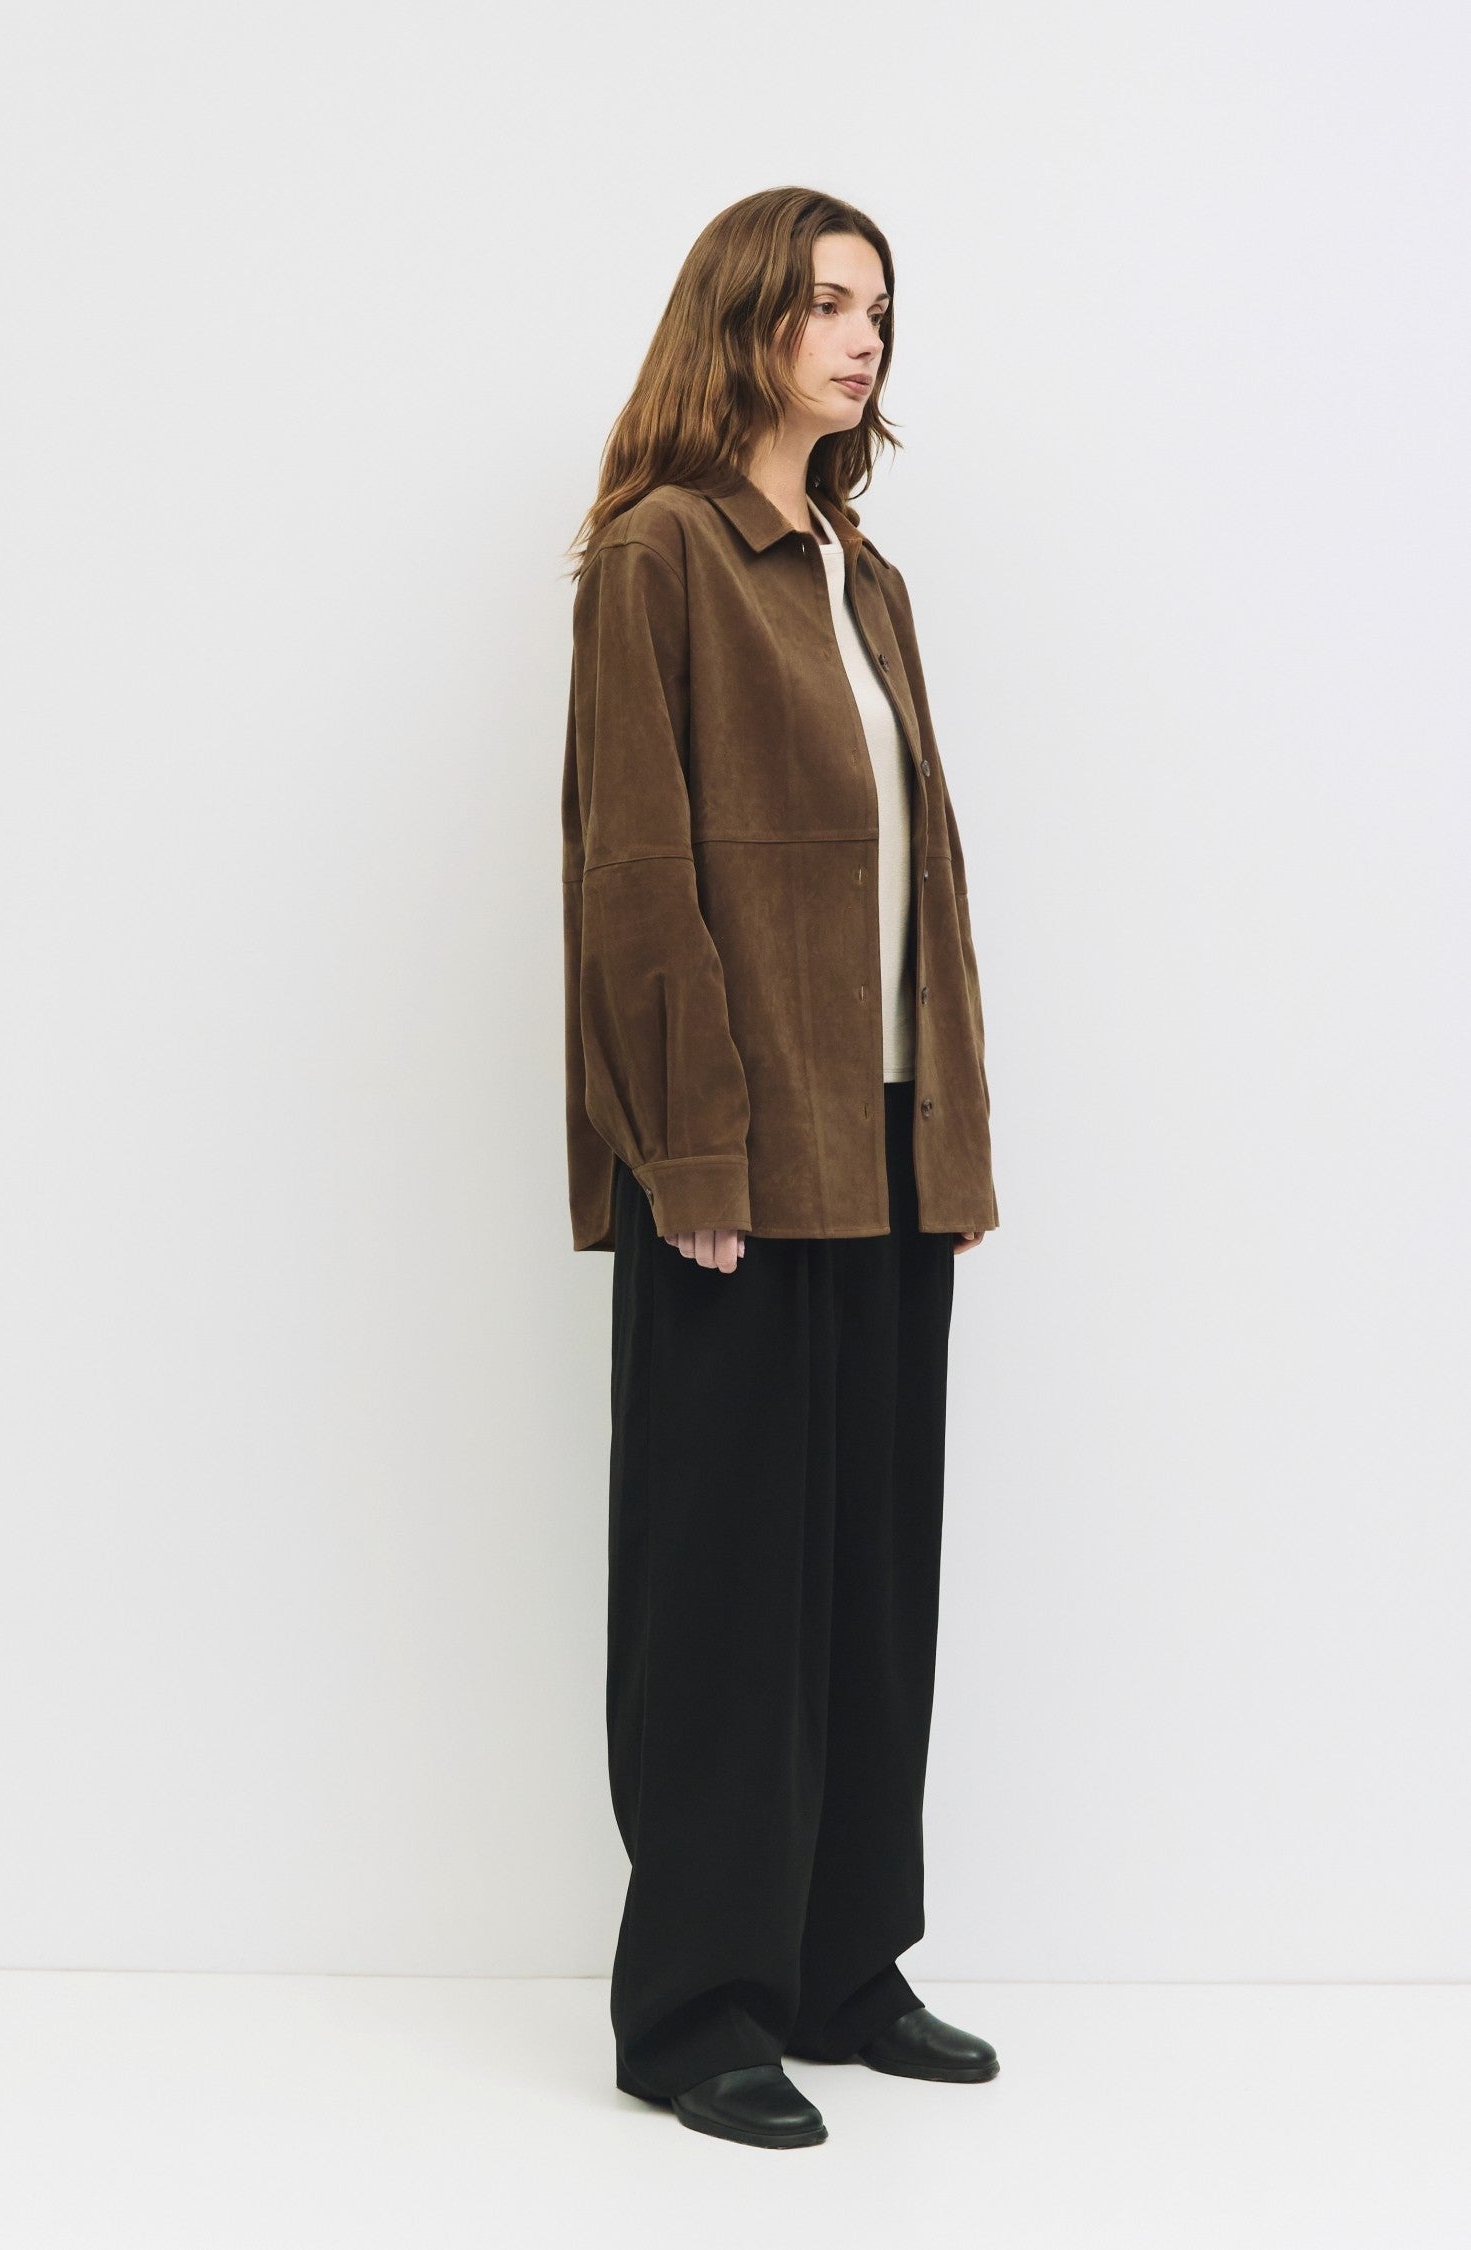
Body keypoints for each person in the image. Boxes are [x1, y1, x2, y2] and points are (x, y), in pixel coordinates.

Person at [559, 187, 1001, 2152]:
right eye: (827, 301)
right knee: (726, 1586)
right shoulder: (663, 554)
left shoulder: (861, 572)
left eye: (879, 307)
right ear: (742, 322)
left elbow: (918, 878)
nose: (863, 335)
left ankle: (842, 1963)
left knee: (872, 1575)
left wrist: (951, 1131)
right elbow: (633, 872)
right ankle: (699, 2003)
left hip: (889, 1136)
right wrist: (688, 1143)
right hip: (739, 1142)